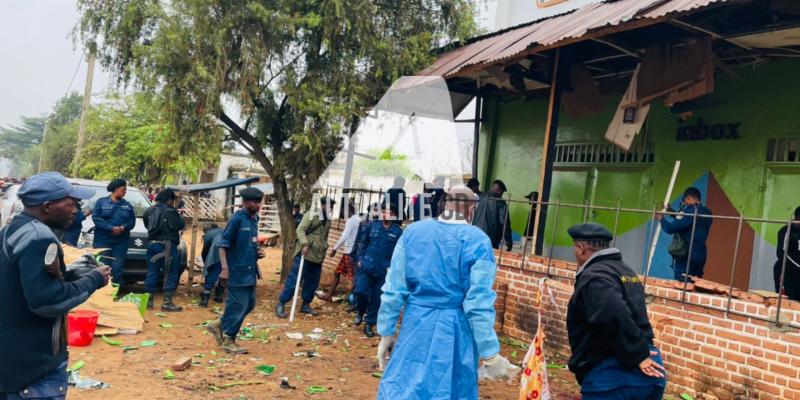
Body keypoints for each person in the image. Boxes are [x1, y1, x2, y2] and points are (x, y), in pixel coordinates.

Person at [376, 186, 518, 399]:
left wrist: (386, 332)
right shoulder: (478, 241)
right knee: (451, 388)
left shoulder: (413, 233)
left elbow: (394, 288)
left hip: (416, 324)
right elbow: (478, 302)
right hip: (454, 330)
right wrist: (489, 353)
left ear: (444, 204)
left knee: (405, 384)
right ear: (472, 210)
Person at [0, 172, 110, 399]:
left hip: (11, 358)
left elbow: (20, 285)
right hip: (32, 369)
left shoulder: (12, 230)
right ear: (48, 206)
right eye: (71, 203)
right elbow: (46, 301)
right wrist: (94, 280)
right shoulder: (40, 238)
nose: (76, 209)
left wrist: (72, 273)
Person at [565, 222, 666, 399]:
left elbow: (613, 312)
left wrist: (637, 354)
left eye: (575, 248)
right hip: (650, 372)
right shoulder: (625, 271)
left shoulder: (595, 276)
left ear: (580, 248)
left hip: (615, 373)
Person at [205, 188, 265, 354]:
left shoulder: (254, 220)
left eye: (259, 202)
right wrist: (224, 269)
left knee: (249, 304)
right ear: (245, 202)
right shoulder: (237, 219)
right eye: (254, 202)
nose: (257, 205)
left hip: (250, 270)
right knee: (238, 304)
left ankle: (218, 324)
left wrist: (258, 252)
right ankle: (229, 339)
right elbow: (222, 245)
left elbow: (249, 243)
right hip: (235, 270)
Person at [275, 197, 334, 318]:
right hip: (305, 254)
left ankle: (306, 305)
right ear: (322, 205)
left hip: (318, 256)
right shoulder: (311, 215)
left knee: (313, 282)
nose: (329, 209)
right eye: (327, 206)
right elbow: (300, 230)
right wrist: (305, 244)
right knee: (294, 280)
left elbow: (324, 237)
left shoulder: (328, 220)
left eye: (331, 207)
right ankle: (281, 303)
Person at [354, 204, 403, 337]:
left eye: (389, 212)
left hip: (383, 270)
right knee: (360, 291)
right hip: (367, 265)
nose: (385, 214)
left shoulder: (398, 232)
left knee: (377, 298)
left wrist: (393, 268)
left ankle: (369, 324)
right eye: (384, 211)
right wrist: (360, 259)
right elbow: (362, 243)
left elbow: (399, 253)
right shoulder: (372, 226)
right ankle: (360, 310)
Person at [143, 189, 186, 311]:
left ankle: (148, 302)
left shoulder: (149, 210)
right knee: (171, 273)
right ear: (169, 200)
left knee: (152, 272)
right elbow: (180, 225)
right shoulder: (170, 211)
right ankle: (167, 303)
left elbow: (147, 225)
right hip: (167, 246)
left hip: (152, 244)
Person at [656, 187, 713, 281]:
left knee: (682, 287)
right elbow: (686, 221)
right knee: (695, 287)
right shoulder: (708, 213)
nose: (684, 204)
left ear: (689, 198)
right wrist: (672, 212)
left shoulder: (690, 211)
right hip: (700, 256)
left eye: (684, 200)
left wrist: (661, 219)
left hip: (687, 257)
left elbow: (670, 228)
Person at [92, 179, 136, 284]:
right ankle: (100, 294)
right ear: (115, 189)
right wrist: (111, 228)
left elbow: (131, 221)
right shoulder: (101, 202)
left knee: (117, 268)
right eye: (123, 189)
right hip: (103, 241)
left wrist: (123, 227)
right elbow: (96, 219)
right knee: (102, 267)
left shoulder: (128, 205)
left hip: (120, 242)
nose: (125, 192)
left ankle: (113, 294)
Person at [319, 203, 360, 302]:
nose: (342, 213)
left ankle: (353, 300)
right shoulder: (358, 220)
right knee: (337, 272)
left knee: (353, 278)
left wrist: (334, 249)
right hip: (350, 251)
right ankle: (329, 295)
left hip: (349, 252)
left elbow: (344, 236)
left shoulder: (351, 220)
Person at [471, 179, 513, 251]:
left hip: (475, 235)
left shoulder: (479, 198)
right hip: (490, 238)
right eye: (502, 193)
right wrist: (509, 240)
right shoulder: (500, 202)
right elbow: (504, 223)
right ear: (499, 191)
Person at [775, 207, 800, 300]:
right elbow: (781, 254)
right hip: (787, 274)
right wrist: (798, 266)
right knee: (788, 303)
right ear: (798, 218)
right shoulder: (786, 231)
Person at [199, 223, 225, 307]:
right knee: (224, 271)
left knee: (213, 269)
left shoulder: (208, 234)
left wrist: (207, 264)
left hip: (218, 248)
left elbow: (205, 251)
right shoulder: (223, 231)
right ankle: (219, 294)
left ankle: (205, 295)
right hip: (231, 249)